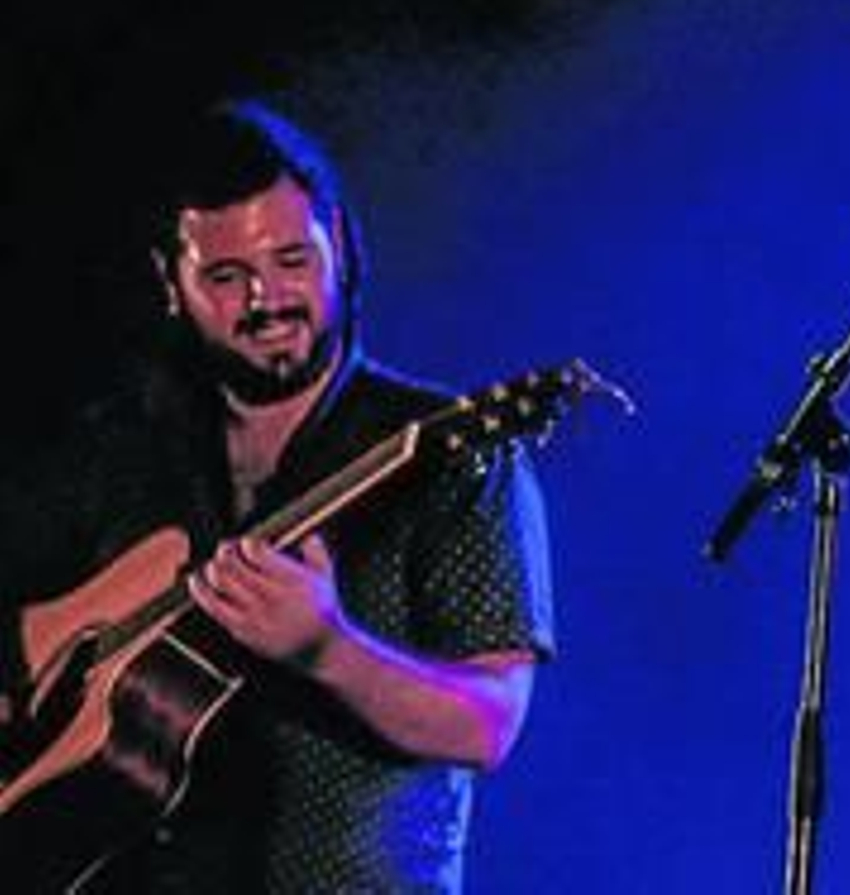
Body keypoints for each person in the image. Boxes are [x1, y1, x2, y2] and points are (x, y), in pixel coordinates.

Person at [0, 97, 557, 892]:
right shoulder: (123, 448)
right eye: (227, 277)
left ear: (343, 252)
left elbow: (489, 722)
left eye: (293, 262)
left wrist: (329, 650)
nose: (266, 301)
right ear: (171, 281)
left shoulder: (446, 451)